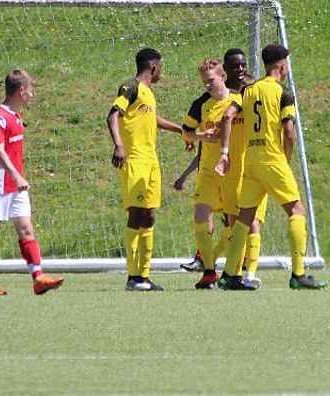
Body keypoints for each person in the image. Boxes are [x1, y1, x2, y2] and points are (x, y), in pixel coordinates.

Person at [214, 44, 327, 290]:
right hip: (272, 158)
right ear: (282, 66)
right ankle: (298, 274)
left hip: (251, 160)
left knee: (244, 218)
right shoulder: (283, 93)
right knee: (297, 211)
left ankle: (229, 274)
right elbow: (289, 131)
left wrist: (224, 152)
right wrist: (285, 158)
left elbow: (228, 116)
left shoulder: (249, 90)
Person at [178, 48, 266, 279]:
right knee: (202, 215)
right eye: (204, 81)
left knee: (241, 223)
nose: (207, 84)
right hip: (210, 170)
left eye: (210, 80)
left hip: (240, 170)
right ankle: (209, 269)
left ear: (222, 76)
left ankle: (241, 271)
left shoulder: (243, 98)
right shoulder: (201, 104)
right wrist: (199, 137)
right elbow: (187, 132)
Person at [0, 70, 64, 296]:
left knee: (26, 227)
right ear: (21, 91)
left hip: (16, 185)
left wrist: (17, 178)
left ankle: (38, 278)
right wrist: (16, 175)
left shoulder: (15, 116)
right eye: (30, 91)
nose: (32, 95)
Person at [107, 47, 182, 291]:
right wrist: (119, 145)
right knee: (136, 214)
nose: (161, 72)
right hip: (135, 160)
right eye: (160, 67)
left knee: (149, 214)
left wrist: (180, 130)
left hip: (151, 161)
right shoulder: (131, 87)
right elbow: (113, 115)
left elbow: (152, 119)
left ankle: (145, 276)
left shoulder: (149, 93)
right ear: (153, 67)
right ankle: (133, 276)